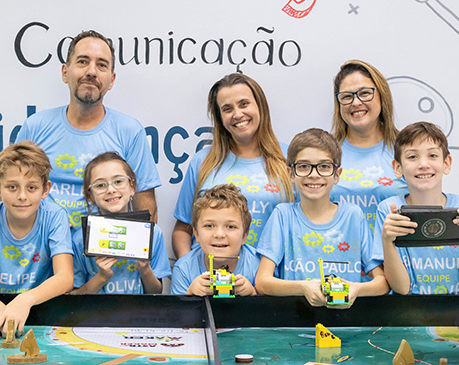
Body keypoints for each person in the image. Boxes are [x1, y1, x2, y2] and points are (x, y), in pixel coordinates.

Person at [16, 30, 160, 226]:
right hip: (44, 251)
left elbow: (146, 210)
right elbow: (12, 192)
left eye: (101, 65)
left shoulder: (130, 131)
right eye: (83, 61)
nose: (91, 72)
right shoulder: (35, 127)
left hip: (104, 252)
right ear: (65, 72)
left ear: (112, 80)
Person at [256, 128, 389, 307]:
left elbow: (381, 283)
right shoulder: (283, 215)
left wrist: (356, 289)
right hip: (295, 327)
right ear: (290, 174)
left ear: (337, 175)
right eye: (303, 166)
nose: (314, 174)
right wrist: (304, 287)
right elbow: (262, 282)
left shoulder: (353, 216)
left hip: (347, 327)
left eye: (324, 166)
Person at [172, 73, 294, 259]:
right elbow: (182, 229)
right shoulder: (202, 161)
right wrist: (189, 271)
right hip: (212, 282)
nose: (237, 114)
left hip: (269, 283)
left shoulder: (289, 160)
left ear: (260, 106)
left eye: (244, 104)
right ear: (220, 117)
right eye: (227, 109)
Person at [0, 141, 73, 338]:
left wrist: (24, 300)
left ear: (46, 189)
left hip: (40, 314)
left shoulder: (55, 216)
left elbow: (65, 277)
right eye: (12, 187)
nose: (22, 196)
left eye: (31, 187)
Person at [376, 121, 459, 295]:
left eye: (432, 155)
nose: (423, 164)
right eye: (412, 157)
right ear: (397, 167)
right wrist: (388, 242)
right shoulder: (389, 211)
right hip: (409, 317)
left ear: (446, 163)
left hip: (458, 317)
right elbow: (401, 289)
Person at [71, 152, 171, 294]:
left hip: (138, 314)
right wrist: (102, 276)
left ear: (132, 187)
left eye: (118, 181)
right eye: (100, 185)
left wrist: (145, 269)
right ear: (90, 196)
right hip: (94, 315)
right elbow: (73, 297)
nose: (111, 190)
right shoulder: (79, 240)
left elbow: (156, 292)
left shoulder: (153, 233)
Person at [329, 60, 407, 236]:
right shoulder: (326, 153)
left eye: (365, 93)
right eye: (347, 96)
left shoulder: (406, 149)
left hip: (395, 260)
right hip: (339, 258)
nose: (356, 102)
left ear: (382, 96)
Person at [171, 184, 258, 296]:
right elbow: (178, 313)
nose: (219, 234)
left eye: (231, 227)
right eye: (209, 226)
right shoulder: (184, 269)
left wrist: (253, 294)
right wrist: (189, 294)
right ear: (196, 234)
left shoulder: (258, 267)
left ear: (245, 235)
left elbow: (270, 312)